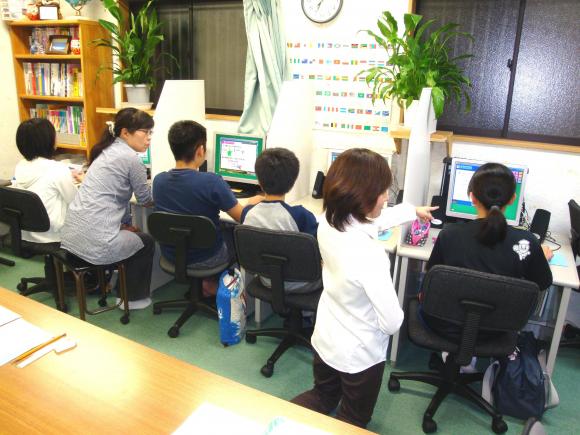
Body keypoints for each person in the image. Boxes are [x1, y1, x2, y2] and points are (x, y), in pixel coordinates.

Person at [291, 148, 436, 428]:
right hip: (360, 355)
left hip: (327, 337)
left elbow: (372, 220)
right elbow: (392, 322)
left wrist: (411, 212)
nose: (386, 197)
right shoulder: (370, 255)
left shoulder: (328, 222)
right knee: (352, 419)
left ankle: (277, 420)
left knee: (322, 397)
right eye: (382, 192)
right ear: (362, 197)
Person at [422, 162, 553, 341]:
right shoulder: (527, 242)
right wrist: (540, 256)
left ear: (472, 197)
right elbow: (543, 283)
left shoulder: (449, 234)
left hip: (445, 324)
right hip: (498, 331)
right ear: (513, 199)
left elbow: (431, 278)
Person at [152, 120, 261, 296]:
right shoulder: (212, 182)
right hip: (207, 258)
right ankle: (217, 286)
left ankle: (207, 283)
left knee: (214, 228)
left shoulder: (158, 181)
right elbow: (242, 217)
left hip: (172, 255)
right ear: (200, 150)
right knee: (237, 233)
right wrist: (251, 202)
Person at [61, 108, 155, 309]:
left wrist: (123, 225)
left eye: (151, 132)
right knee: (146, 241)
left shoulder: (105, 152)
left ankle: (119, 286)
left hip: (71, 238)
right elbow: (146, 199)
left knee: (132, 233)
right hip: (96, 244)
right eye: (145, 132)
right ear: (125, 133)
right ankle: (130, 299)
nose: (149, 138)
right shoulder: (132, 160)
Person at [241, 147, 319, 293]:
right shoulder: (301, 215)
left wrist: (250, 203)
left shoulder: (248, 212)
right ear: (292, 182)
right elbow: (317, 250)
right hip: (303, 283)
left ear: (259, 181)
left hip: (266, 280)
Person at [12, 118, 78, 245]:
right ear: (48, 140)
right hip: (53, 238)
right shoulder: (57, 169)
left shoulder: (20, 166)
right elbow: (76, 201)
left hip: (25, 235)